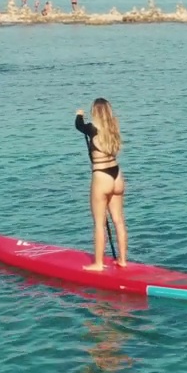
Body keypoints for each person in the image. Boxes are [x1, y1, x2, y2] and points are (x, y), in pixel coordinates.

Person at [75, 99, 127, 271]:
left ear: (95, 113)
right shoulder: (114, 128)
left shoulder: (92, 129)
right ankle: (123, 260)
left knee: (99, 222)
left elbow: (78, 125)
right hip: (117, 175)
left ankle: (98, 264)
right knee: (118, 221)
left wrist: (79, 114)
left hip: (101, 177)